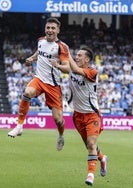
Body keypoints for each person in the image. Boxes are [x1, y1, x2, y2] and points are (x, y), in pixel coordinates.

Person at [7, 17, 70, 151]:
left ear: (58, 30)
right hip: (39, 79)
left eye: (53, 28)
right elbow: (39, 52)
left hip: (53, 85)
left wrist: (57, 65)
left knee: (58, 120)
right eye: (48, 27)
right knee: (27, 93)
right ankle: (19, 126)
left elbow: (68, 68)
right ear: (45, 29)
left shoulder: (62, 47)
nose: (50, 30)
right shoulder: (40, 41)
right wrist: (32, 58)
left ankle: (61, 135)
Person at [52, 47, 107, 186]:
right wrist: (57, 65)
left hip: (92, 115)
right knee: (89, 146)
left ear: (87, 59)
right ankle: (103, 158)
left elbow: (75, 70)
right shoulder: (73, 68)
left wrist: (67, 52)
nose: (76, 57)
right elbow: (68, 69)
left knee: (91, 144)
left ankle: (90, 175)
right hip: (77, 115)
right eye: (75, 55)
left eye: (80, 55)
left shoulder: (92, 72)